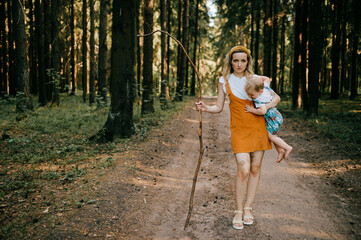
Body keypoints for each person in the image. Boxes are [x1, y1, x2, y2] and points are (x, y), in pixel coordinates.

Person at [195, 46, 280, 230]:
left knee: (255, 169)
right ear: (230, 61)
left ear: (247, 61)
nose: (239, 64)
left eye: (243, 60)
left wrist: (267, 107)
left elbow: (274, 97)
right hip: (239, 130)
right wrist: (205, 108)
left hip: (258, 127)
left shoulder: (255, 79)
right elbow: (218, 107)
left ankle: (248, 208)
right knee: (244, 168)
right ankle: (238, 210)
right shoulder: (224, 80)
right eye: (236, 60)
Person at [244, 76, 293, 162]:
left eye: (252, 95)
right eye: (248, 94)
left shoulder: (259, 99)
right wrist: (257, 78)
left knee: (271, 136)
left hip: (272, 117)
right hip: (276, 115)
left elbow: (262, 111)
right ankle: (280, 151)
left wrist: (252, 110)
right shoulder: (265, 86)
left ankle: (287, 147)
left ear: (260, 91)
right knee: (273, 135)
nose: (251, 97)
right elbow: (266, 78)